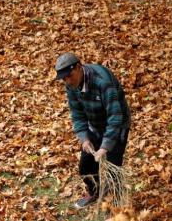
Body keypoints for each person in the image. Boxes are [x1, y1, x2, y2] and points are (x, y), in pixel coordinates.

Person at [55, 52, 131, 209]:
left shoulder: (102, 83)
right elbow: (77, 114)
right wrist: (84, 138)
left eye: (69, 76)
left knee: (112, 172)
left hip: (117, 125)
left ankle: (116, 209)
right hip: (95, 125)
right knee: (86, 167)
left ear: (78, 67)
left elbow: (115, 117)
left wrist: (105, 147)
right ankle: (94, 192)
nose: (67, 81)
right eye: (64, 78)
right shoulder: (71, 85)